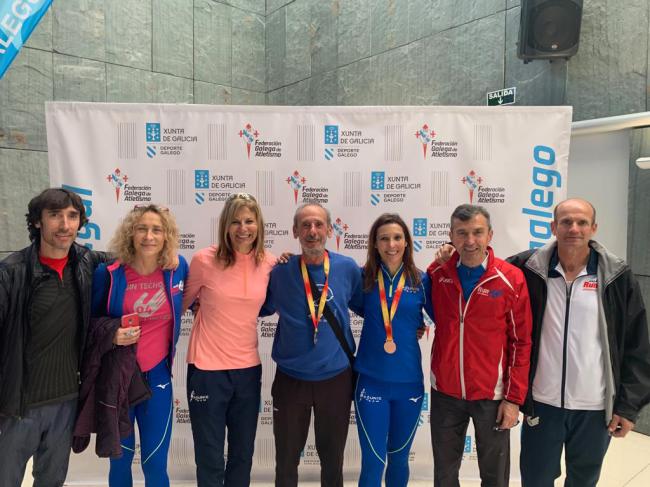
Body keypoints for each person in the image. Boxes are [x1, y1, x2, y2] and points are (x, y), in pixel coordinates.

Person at [507, 198, 650, 487]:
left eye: (582, 222)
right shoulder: (526, 269)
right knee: (535, 479)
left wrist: (627, 406)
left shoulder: (617, 277)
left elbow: (637, 347)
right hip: (542, 403)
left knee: (584, 481)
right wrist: (450, 256)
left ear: (594, 228)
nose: (574, 228)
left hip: (594, 407)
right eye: (566, 222)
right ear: (553, 227)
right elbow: (484, 272)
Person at [0, 188, 107, 487]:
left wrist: (169, 260)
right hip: (17, 405)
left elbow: (134, 257)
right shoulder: (12, 273)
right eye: (55, 216)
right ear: (37, 222)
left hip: (65, 402)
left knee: (51, 482)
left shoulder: (85, 261)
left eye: (72, 216)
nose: (65, 225)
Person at [427, 204, 532, 487]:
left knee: (494, 475)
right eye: (462, 233)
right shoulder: (438, 274)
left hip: (492, 394)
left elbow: (521, 342)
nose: (470, 241)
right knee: (444, 474)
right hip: (446, 392)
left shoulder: (510, 278)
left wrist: (513, 399)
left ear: (490, 235)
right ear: (451, 236)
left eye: (477, 232)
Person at [261, 202, 363, 487]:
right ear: (295, 231)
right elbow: (253, 305)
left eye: (318, 224)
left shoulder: (347, 268)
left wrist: (408, 324)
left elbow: (370, 307)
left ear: (330, 229)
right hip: (291, 381)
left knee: (333, 460)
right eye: (305, 225)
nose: (312, 231)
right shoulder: (280, 273)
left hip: (336, 379)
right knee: (286, 460)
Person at [182, 192, 276, 487]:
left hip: (248, 369)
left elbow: (269, 305)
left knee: (242, 454)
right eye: (235, 221)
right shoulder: (203, 260)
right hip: (207, 369)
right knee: (209, 456)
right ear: (225, 225)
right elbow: (179, 304)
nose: (242, 228)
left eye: (249, 221)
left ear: (259, 225)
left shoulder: (270, 263)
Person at [91, 204, 188, 487]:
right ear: (130, 233)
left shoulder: (177, 268)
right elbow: (90, 322)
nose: (149, 236)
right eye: (142, 229)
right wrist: (111, 335)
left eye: (156, 229)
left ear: (166, 235)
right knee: (120, 461)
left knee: (155, 464)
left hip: (157, 379)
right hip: (119, 379)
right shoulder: (109, 273)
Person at [353, 213, 434, 487]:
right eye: (384, 238)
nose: (391, 244)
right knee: (374, 460)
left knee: (399, 459)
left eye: (397, 238)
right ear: (375, 244)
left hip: (409, 385)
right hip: (370, 384)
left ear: (407, 242)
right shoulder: (362, 278)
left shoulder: (423, 281)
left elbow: (446, 312)